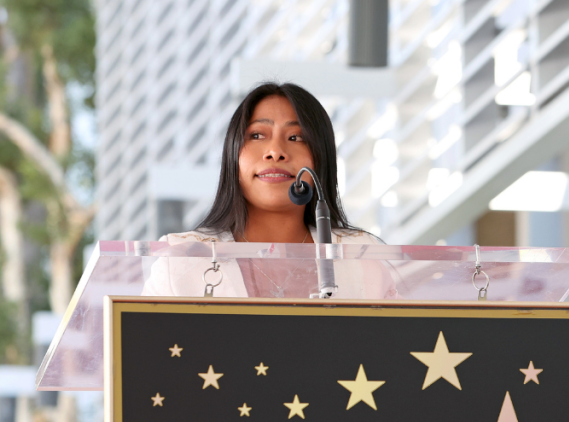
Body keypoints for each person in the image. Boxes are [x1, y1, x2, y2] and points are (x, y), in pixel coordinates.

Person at [142, 83, 394, 299]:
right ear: (233, 155)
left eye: (296, 137)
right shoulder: (182, 259)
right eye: (257, 135)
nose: (275, 151)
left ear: (321, 158)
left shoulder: (361, 256)